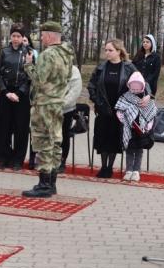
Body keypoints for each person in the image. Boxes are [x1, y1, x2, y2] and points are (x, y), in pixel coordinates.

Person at [22, 21, 74, 198]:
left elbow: (39, 80)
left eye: (43, 34)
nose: (41, 38)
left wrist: (29, 65)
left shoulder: (48, 54)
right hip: (58, 103)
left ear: (51, 35)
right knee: (55, 142)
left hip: (44, 104)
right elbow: (67, 77)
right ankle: (51, 183)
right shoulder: (67, 54)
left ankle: (44, 184)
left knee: (43, 142)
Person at [88, 39, 137, 178]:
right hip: (103, 109)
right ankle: (103, 166)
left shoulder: (128, 67)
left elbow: (140, 83)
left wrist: (141, 98)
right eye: (106, 50)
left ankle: (110, 167)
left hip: (120, 110)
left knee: (114, 138)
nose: (107, 53)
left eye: (110, 50)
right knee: (102, 138)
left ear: (119, 51)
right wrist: (97, 101)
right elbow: (91, 85)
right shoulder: (101, 67)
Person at [0, 26, 32, 169]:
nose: (15, 39)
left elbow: (30, 76)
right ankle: (3, 158)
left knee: (20, 128)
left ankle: (18, 160)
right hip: (6, 93)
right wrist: (5, 91)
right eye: (13, 36)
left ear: (22, 37)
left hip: (21, 95)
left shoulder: (28, 53)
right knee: (4, 127)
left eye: (18, 36)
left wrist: (19, 93)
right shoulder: (4, 52)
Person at [114, 70, 157, 182]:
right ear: (129, 86)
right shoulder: (126, 96)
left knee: (139, 151)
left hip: (142, 129)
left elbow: (152, 113)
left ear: (142, 86)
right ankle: (128, 170)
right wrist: (122, 119)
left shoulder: (146, 99)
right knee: (129, 149)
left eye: (137, 88)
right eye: (133, 88)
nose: (135, 90)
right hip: (129, 128)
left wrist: (147, 127)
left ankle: (136, 171)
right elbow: (119, 109)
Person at [59, 64, 84, 173]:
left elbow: (75, 91)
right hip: (48, 109)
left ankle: (62, 161)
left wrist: (59, 104)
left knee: (64, 135)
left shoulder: (73, 70)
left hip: (66, 109)